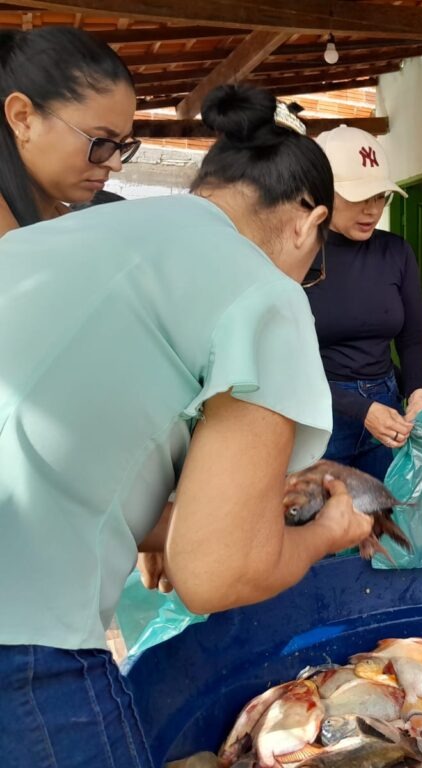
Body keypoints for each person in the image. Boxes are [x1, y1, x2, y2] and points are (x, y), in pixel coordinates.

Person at [0, 85, 374, 768]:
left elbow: (52, 451)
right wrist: (328, 534)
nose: (306, 277)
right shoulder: (263, 289)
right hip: (23, 643)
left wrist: (171, 516)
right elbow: (214, 575)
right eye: (315, 262)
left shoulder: (76, 236)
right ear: (306, 222)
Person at [303, 126, 422, 482]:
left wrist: (418, 396)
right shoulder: (300, 253)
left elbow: (413, 340)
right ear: (323, 193)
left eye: (380, 197)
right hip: (323, 413)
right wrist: (360, 409)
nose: (372, 210)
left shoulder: (396, 252)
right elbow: (287, 361)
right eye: (359, 197)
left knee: (382, 524)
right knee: (321, 526)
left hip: (387, 408)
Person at [0, 26, 139, 238]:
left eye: (122, 146)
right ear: (23, 118)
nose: (115, 164)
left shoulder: (59, 224)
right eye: (100, 142)